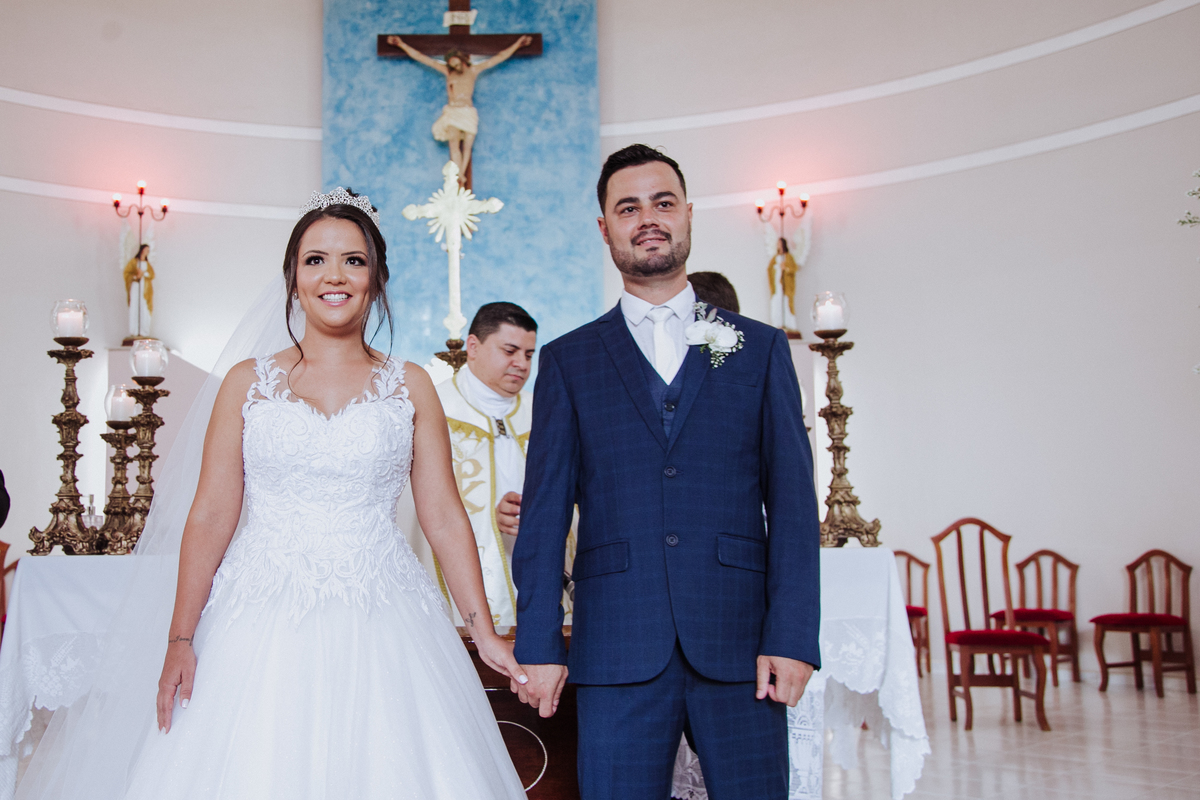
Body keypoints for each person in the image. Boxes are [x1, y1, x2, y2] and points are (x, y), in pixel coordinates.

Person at [17, 190, 527, 800]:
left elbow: (442, 515)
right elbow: (210, 516)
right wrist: (180, 639)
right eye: (315, 260)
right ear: (292, 279)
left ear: (377, 279)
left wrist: (483, 631)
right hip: (258, 618)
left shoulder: (411, 385)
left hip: (386, 613)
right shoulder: (246, 384)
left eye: (354, 261)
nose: (334, 276)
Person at [511, 144, 821, 799]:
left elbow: (794, 506)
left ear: (688, 215)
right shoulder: (568, 361)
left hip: (741, 646)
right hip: (616, 644)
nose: (648, 218)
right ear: (605, 229)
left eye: (663, 202)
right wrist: (538, 644)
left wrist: (793, 637)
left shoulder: (759, 349)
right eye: (628, 208)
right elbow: (543, 515)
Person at [386, 35, 532, 184]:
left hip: (468, 111)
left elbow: (499, 57)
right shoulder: (448, 72)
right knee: (454, 144)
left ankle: (462, 173)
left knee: (468, 145)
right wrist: (401, 44)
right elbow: (423, 58)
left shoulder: (474, 70)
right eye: (452, 65)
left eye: (457, 63)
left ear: (462, 60)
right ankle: (458, 176)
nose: (455, 67)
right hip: (453, 111)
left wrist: (518, 44)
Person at [123, 243, 155, 340]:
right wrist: (135, 276)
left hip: (145, 289)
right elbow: (126, 273)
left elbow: (152, 275)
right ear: (142, 250)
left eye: (148, 250)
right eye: (146, 250)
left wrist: (143, 274)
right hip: (136, 286)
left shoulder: (147, 264)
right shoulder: (134, 262)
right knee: (134, 307)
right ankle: (134, 331)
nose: (147, 252)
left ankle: (144, 332)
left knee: (144, 308)